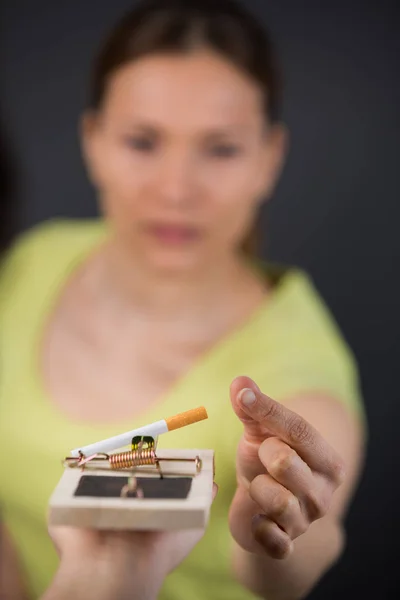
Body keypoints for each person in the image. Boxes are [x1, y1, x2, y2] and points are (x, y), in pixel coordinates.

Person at [0, 0, 366, 599]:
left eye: (220, 149)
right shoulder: (33, 261)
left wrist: (279, 533)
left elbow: (302, 552)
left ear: (269, 158)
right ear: (92, 141)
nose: (176, 189)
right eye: (143, 142)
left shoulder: (291, 366)